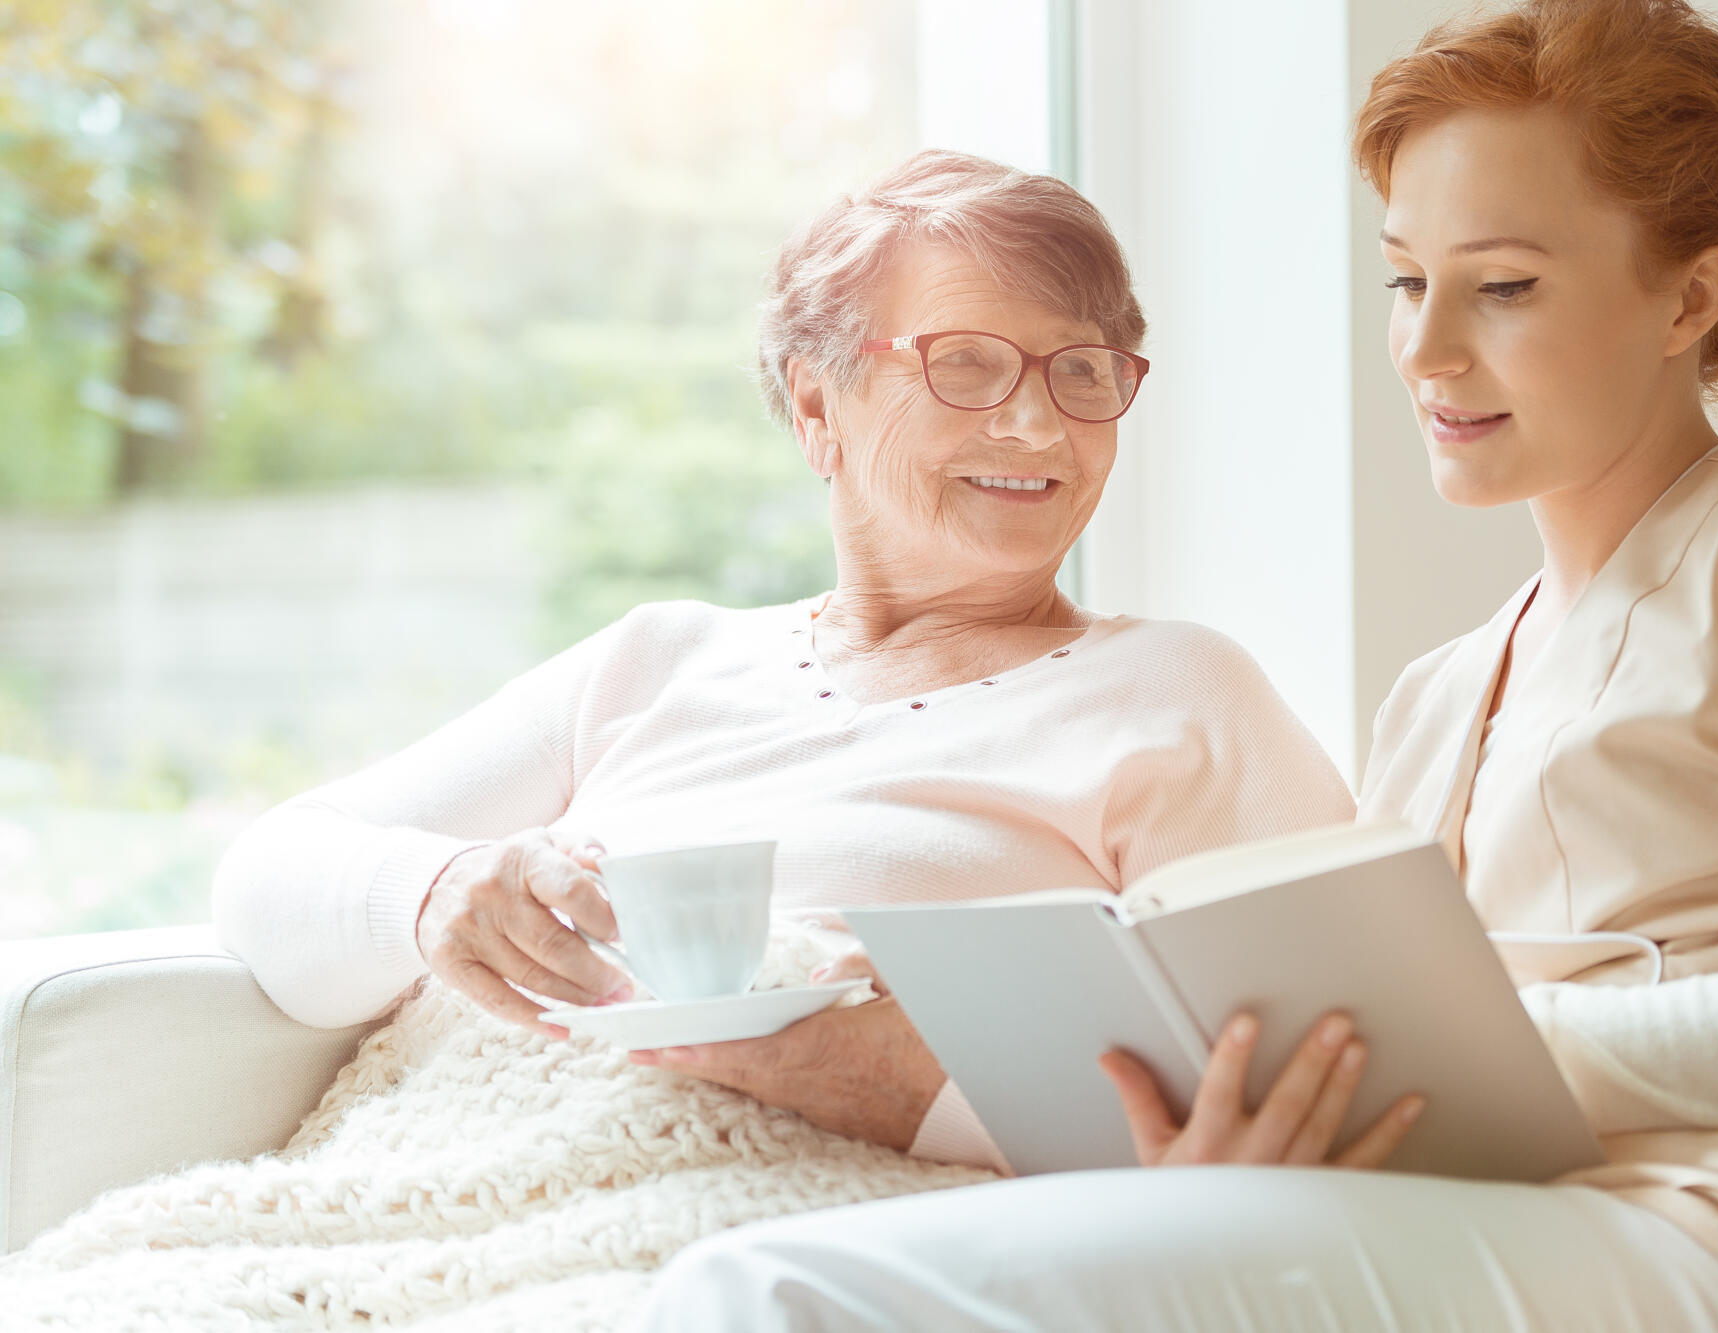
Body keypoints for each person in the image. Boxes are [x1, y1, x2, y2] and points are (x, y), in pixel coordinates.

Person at [628, 2, 1718, 1329]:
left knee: (758, 1293)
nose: (1427, 347)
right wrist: (1256, 1134)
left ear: (1692, 294)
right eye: (1409, 280)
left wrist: (1483, 1053)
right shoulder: (1437, 698)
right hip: (1507, 1230)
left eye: (1504, 286)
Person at [212, 149, 1388, 1167]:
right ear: (815, 404)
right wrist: (432, 896)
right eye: (967, 365)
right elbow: (273, 881)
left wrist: (898, 1087)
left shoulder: (1177, 695)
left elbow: (1334, 1075)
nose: (1038, 426)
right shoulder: (657, 661)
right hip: (449, 1184)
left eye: (1080, 371)